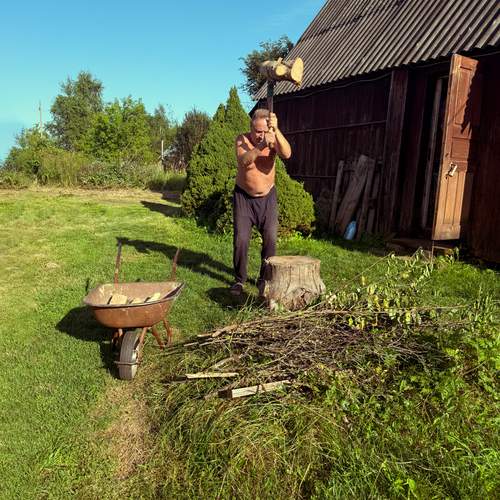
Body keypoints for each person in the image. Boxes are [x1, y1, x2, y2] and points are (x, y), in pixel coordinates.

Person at [230, 109, 292, 296]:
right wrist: (261, 145)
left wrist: (276, 131)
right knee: (241, 240)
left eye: (264, 131)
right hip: (243, 197)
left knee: (270, 239)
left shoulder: (272, 139)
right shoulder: (242, 139)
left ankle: (264, 279)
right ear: (251, 128)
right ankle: (239, 280)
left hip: (267, 197)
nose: (261, 135)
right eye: (257, 131)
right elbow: (244, 161)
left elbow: (287, 154)